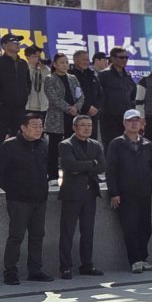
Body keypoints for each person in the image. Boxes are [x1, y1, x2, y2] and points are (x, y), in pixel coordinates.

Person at [0, 113, 53, 285]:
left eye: (40, 126)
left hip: (39, 198)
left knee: (37, 235)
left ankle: (35, 270)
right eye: (34, 126)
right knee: (16, 236)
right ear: (23, 127)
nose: (38, 130)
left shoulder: (43, 145)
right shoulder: (10, 146)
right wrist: (13, 190)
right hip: (18, 200)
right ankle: (10, 271)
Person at [107, 109, 152, 273]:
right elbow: (111, 170)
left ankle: (144, 258)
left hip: (144, 192)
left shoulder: (147, 144)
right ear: (124, 123)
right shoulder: (116, 144)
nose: (134, 123)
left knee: (145, 227)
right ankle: (135, 260)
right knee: (130, 227)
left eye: (137, 120)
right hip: (125, 193)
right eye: (130, 120)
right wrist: (113, 192)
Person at [58, 114, 106, 278]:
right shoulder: (66, 144)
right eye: (83, 125)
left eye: (90, 125)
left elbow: (102, 166)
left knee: (88, 231)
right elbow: (70, 165)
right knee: (67, 232)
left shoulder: (95, 144)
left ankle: (87, 265)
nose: (87, 128)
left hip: (90, 193)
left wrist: (84, 166)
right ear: (74, 128)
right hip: (72, 193)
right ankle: (65, 266)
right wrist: (91, 163)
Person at [0, 33, 31, 177]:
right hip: (1, 107)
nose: (18, 43)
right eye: (14, 41)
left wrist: (23, 96)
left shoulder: (23, 63)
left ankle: (16, 169)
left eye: (19, 41)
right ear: (4, 45)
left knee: (19, 138)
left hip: (19, 108)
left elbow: (27, 84)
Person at [43, 54, 81, 181]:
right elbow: (53, 97)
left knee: (72, 146)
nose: (65, 65)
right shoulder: (50, 78)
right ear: (55, 64)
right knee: (54, 147)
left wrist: (76, 107)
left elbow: (80, 95)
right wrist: (68, 108)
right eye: (61, 62)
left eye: (66, 62)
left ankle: (71, 174)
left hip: (73, 116)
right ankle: (53, 175)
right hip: (57, 117)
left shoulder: (73, 78)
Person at [95, 47, 136, 144]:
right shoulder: (103, 75)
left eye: (126, 57)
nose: (124, 60)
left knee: (126, 146)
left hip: (126, 118)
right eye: (121, 57)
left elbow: (134, 94)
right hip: (109, 118)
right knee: (110, 146)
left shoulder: (128, 76)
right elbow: (98, 94)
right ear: (112, 59)